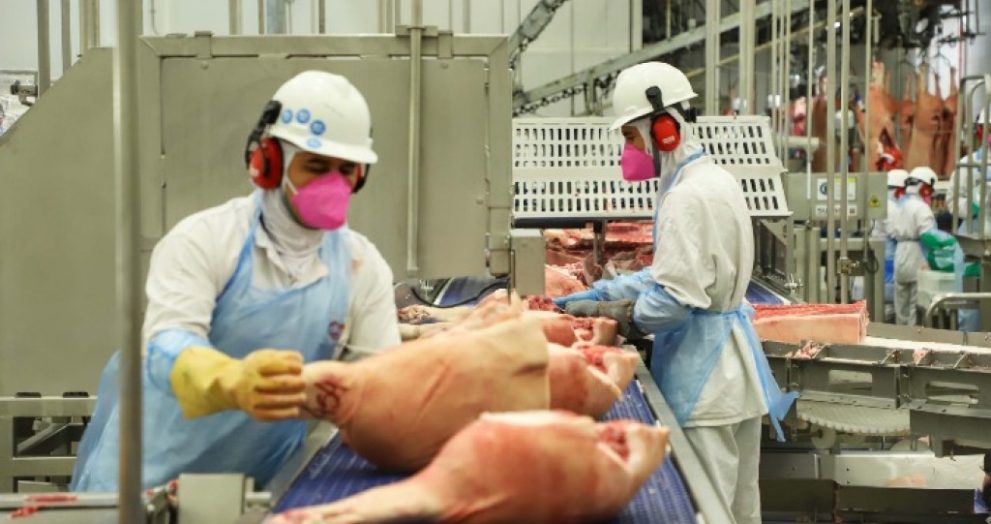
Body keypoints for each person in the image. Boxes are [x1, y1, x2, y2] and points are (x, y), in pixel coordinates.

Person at [71, 71, 401, 491]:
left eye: (346, 170)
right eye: (316, 166)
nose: (332, 183)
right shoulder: (205, 240)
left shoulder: (361, 266)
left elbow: (379, 383)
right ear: (269, 162)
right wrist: (232, 381)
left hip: (253, 495)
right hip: (143, 489)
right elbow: (166, 347)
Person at [553, 61, 796, 524]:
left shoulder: (687, 197)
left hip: (704, 384)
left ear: (663, 129)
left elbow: (673, 301)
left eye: (631, 137)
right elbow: (670, 274)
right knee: (740, 511)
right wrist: (602, 291)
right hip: (733, 373)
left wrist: (616, 316)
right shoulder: (713, 180)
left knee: (709, 511)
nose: (629, 150)